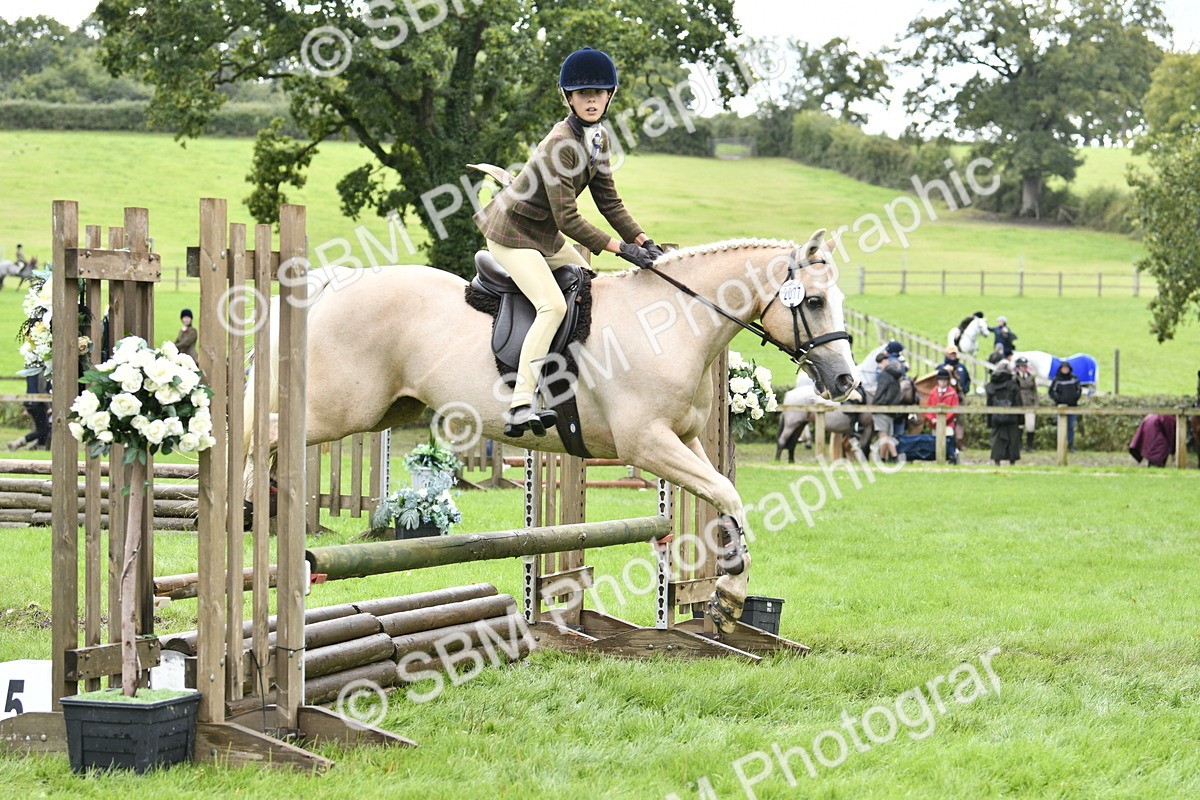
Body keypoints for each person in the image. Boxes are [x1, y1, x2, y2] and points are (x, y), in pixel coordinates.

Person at [474, 47, 658, 438]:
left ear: (610, 96)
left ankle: (578, 379)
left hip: (542, 233)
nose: (591, 99)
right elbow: (568, 218)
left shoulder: (598, 138)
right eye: (582, 93)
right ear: (569, 98)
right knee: (552, 305)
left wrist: (643, 238)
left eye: (599, 92)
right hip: (512, 235)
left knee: (587, 284)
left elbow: (609, 200)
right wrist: (622, 250)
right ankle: (521, 402)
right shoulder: (561, 142)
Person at [985, 361, 1022, 465]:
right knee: (1012, 439)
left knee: (997, 439)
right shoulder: (1013, 385)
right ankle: (1012, 461)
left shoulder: (991, 386)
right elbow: (1018, 402)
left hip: (996, 417)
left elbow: (989, 404)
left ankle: (997, 461)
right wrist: (1020, 420)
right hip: (1012, 417)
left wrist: (989, 421)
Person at [872, 357, 905, 461]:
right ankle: (887, 458)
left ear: (885, 361)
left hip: (881, 408)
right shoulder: (896, 375)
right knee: (887, 436)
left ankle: (889, 458)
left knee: (883, 436)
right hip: (891, 410)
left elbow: (880, 390)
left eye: (880, 363)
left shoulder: (884, 375)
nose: (879, 366)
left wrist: (874, 405)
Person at [8, 372, 50, 451]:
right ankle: (17, 443)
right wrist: (49, 406)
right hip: (38, 403)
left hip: (31, 402)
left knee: (44, 429)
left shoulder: (32, 371)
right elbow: (42, 390)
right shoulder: (43, 372)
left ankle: (40, 449)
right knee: (42, 430)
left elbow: (31, 388)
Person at [923, 368, 961, 450]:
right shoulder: (933, 393)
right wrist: (932, 419)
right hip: (934, 424)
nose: (943, 382)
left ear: (947, 381)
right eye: (941, 380)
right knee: (936, 444)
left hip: (948, 423)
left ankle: (952, 456)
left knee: (948, 441)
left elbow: (954, 409)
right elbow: (927, 408)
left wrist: (944, 419)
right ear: (938, 381)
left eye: (945, 380)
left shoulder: (952, 393)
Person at [1048, 361, 1082, 452]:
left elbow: (1079, 390)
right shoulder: (1057, 380)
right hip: (1061, 407)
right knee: (1061, 426)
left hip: (1072, 407)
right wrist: (1059, 399)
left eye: (1066, 368)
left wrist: (1074, 398)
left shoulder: (1074, 379)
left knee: (1071, 426)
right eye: (1063, 368)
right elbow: (1052, 392)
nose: (1065, 370)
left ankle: (1070, 445)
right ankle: (1060, 445)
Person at [1014, 356, 1038, 451]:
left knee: (1030, 425)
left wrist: (1036, 403)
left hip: (1029, 402)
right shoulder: (1015, 377)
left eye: (1024, 366)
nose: (1023, 368)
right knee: (1019, 425)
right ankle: (1019, 445)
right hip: (1019, 402)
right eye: (1021, 366)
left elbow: (1034, 391)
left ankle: (1029, 446)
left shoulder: (1031, 377)